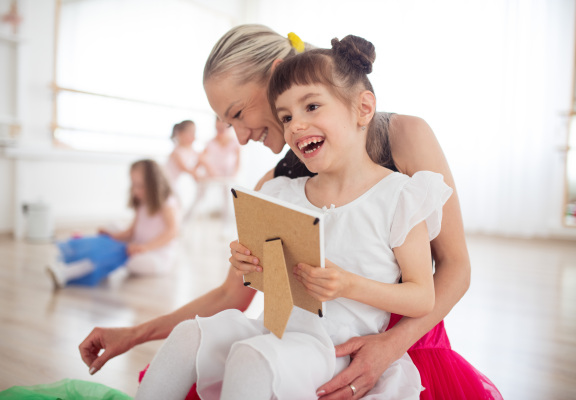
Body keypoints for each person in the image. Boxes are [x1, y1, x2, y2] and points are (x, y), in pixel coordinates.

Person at [78, 25, 493, 400]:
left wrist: (390, 346)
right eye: (227, 123)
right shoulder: (277, 186)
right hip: (299, 341)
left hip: (406, 343)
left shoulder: (405, 140)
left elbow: (455, 268)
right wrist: (134, 334)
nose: (239, 137)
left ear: (278, 73)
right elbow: (231, 295)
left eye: (238, 113)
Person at [47, 159, 178, 288]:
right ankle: (96, 262)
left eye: (141, 186)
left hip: (157, 258)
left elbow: (172, 231)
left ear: (154, 184)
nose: (135, 191)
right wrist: (112, 236)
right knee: (113, 228)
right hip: (138, 247)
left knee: (122, 253)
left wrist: (146, 247)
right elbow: (132, 232)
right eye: (133, 185)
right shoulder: (142, 203)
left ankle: (67, 273)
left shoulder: (167, 203)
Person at [165, 120, 200, 192]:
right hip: (170, 183)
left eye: (194, 132)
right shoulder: (176, 152)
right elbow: (184, 168)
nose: (193, 136)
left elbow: (200, 160)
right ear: (180, 134)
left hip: (179, 184)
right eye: (190, 132)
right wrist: (196, 174)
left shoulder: (190, 150)